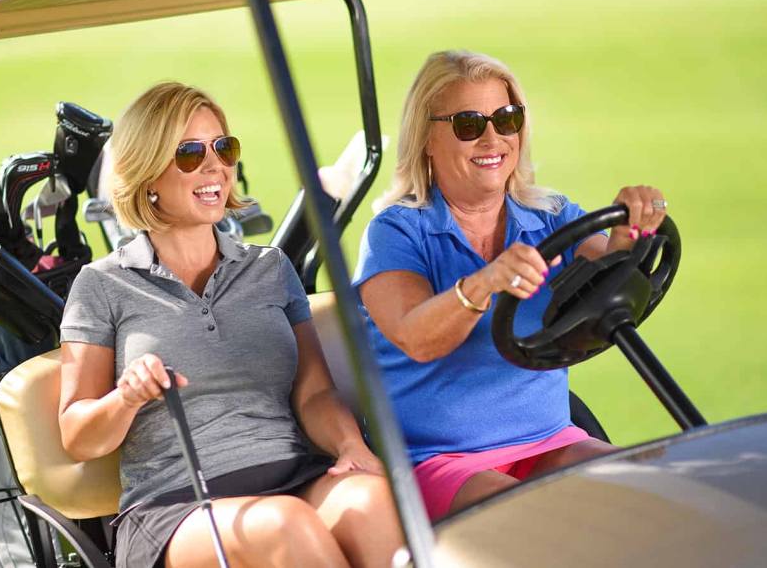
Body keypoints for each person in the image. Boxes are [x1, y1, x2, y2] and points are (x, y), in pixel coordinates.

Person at [58, 82, 403, 568]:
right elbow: (77, 435)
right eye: (189, 153)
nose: (215, 165)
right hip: (175, 508)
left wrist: (351, 447)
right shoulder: (101, 286)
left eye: (224, 147)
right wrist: (126, 398)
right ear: (148, 174)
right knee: (287, 524)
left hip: (293, 477)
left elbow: (314, 396)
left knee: (373, 499)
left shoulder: (270, 268)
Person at [353, 50, 668, 521]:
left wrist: (629, 233)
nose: (492, 138)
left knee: (650, 494)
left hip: (549, 440)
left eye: (506, 119)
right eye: (467, 124)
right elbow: (417, 337)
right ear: (427, 140)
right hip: (440, 460)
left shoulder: (552, 215)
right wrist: (484, 283)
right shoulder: (396, 232)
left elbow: (610, 288)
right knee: (532, 519)